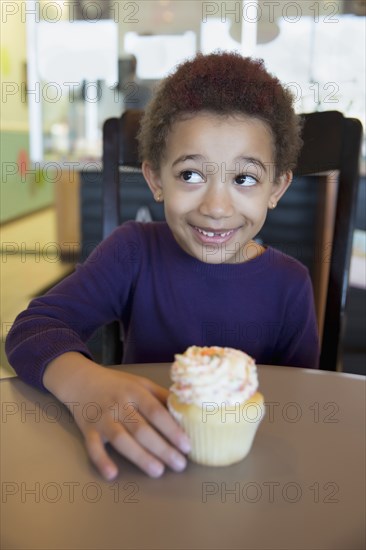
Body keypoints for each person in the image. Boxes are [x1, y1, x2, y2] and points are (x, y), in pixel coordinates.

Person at [6, 52, 319, 481]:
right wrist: (86, 386)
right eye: (191, 175)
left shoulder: (290, 285)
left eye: (244, 179)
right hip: (137, 473)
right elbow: (31, 330)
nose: (216, 207)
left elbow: (303, 408)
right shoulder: (132, 252)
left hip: (248, 484)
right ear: (156, 179)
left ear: (276, 187)